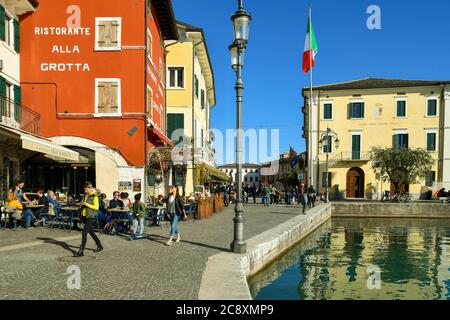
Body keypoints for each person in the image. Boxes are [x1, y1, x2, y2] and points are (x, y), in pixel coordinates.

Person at [76, 182, 103, 257]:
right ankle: (99, 245)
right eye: (84, 189)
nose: (85, 191)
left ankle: (81, 250)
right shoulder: (85, 195)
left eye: (86, 189)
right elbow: (84, 203)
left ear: (90, 188)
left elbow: (96, 208)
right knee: (91, 232)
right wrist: (81, 204)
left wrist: (86, 204)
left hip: (91, 216)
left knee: (84, 232)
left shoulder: (95, 196)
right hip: (85, 216)